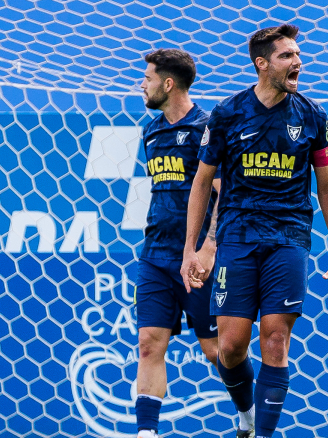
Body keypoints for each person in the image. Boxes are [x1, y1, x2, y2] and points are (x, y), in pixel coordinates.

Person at [180, 24, 328, 438]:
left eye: (297, 54)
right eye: (287, 56)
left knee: (275, 341)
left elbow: (327, 187)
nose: (298, 62)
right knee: (230, 347)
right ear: (262, 64)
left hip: (288, 239)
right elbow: (202, 182)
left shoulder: (313, 116)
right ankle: (247, 417)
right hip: (236, 239)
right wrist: (193, 248)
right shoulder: (227, 113)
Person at [134, 48, 222, 438]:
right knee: (150, 344)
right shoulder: (151, 130)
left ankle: (248, 415)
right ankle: (146, 433)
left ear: (168, 84)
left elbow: (223, 193)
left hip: (198, 258)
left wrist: (208, 248)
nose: (142, 83)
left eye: (148, 78)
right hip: (155, 255)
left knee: (217, 351)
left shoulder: (208, 128)